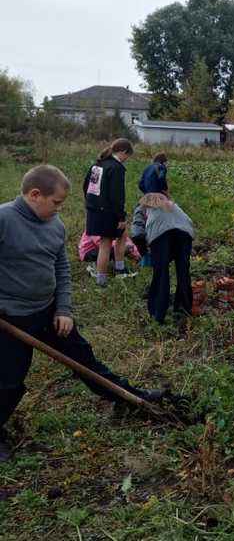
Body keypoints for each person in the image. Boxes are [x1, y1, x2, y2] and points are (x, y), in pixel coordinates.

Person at [0, 165, 163, 462]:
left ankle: (126, 396)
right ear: (35, 195)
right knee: (9, 381)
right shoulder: (4, 219)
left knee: (84, 359)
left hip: (48, 313)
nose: (59, 209)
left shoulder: (54, 225)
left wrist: (63, 308)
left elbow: (61, 269)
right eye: (56, 203)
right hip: (11, 319)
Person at [83, 138, 134, 286]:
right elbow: (117, 197)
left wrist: (91, 203)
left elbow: (86, 185)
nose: (126, 160)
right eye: (127, 156)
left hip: (94, 209)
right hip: (108, 211)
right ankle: (101, 281)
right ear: (123, 152)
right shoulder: (116, 168)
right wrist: (121, 217)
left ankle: (120, 269)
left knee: (123, 235)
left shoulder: (98, 164)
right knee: (105, 244)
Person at [138, 193, 195, 324]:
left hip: (161, 236)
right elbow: (189, 221)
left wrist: (144, 252)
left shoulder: (144, 209)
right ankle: (184, 308)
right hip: (184, 235)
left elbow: (136, 233)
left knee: (161, 274)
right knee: (183, 272)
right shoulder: (174, 206)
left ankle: (157, 313)